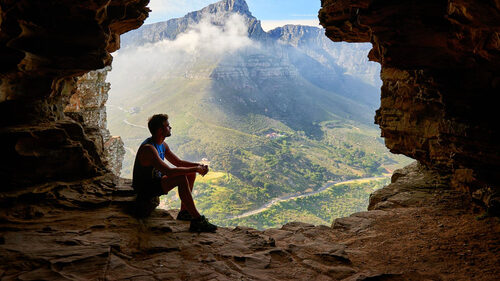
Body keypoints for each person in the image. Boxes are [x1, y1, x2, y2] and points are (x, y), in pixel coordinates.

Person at [132, 113, 217, 232]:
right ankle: (197, 220)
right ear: (160, 130)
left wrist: (198, 166)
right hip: (146, 188)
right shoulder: (149, 149)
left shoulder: (162, 144)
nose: (170, 127)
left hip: (156, 181)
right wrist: (196, 169)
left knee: (190, 174)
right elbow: (169, 171)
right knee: (181, 178)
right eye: (167, 126)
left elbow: (178, 162)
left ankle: (184, 212)